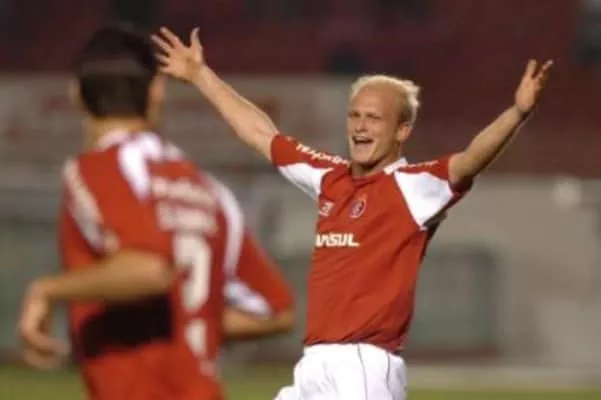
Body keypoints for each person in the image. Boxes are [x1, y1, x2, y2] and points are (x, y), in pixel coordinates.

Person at [152, 26, 553, 400]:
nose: (360, 127)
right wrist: (201, 75)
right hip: (313, 364)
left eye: (374, 118)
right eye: (355, 115)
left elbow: (469, 161)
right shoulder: (329, 176)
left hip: (363, 364)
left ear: (402, 130)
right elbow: (261, 134)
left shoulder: (414, 186)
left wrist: (517, 113)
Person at [18, 23, 295, 400]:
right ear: (156, 91)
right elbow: (276, 312)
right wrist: (186, 319)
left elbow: (148, 268)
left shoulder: (98, 169)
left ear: (76, 94)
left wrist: (46, 291)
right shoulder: (207, 189)